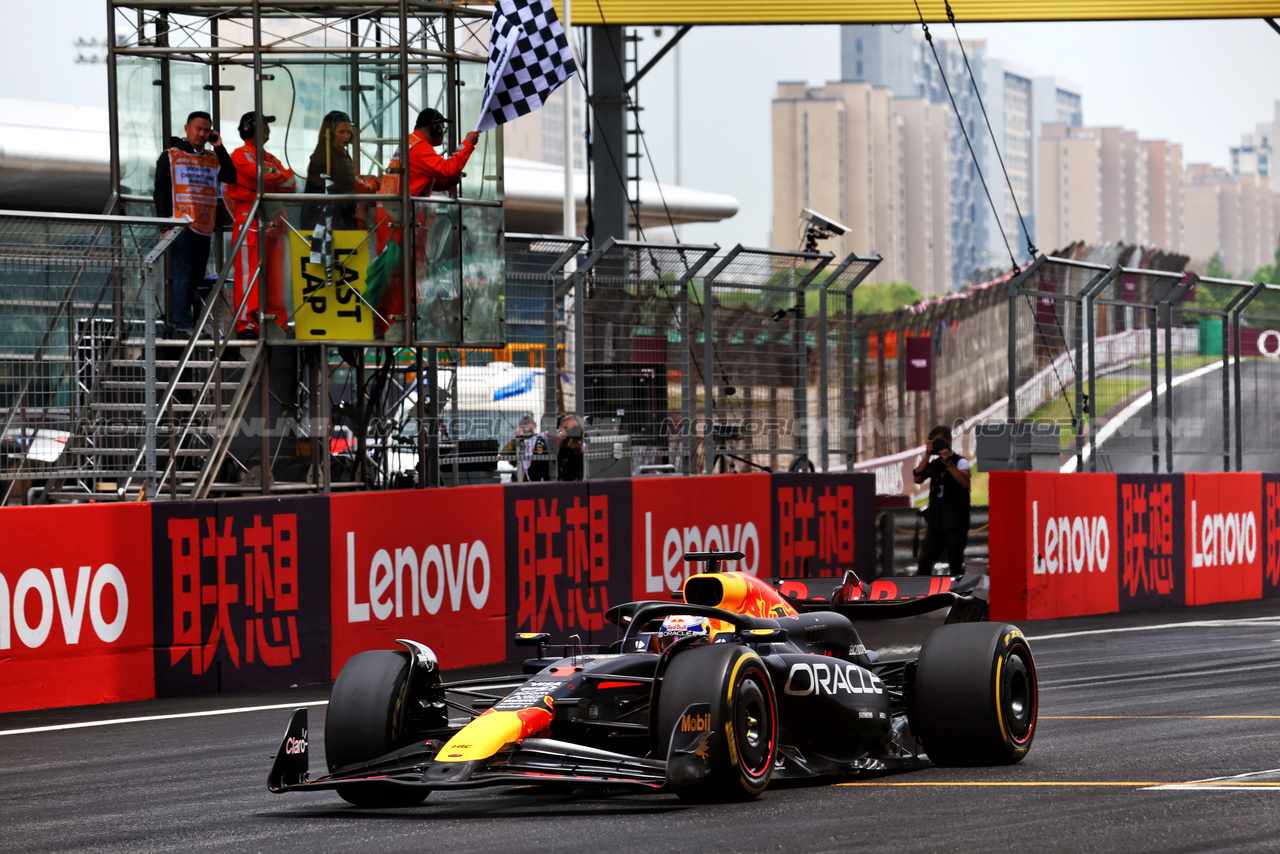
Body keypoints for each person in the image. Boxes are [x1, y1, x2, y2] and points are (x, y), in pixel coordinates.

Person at [373, 108, 482, 336]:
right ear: (436, 127)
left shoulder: (412, 145)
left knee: (398, 278)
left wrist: (450, 176)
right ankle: (394, 327)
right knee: (400, 279)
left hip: (396, 220)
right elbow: (446, 168)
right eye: (442, 128)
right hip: (399, 222)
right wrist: (467, 145)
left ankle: (391, 325)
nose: (443, 133)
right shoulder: (419, 148)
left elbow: (437, 178)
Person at [153, 111, 237, 336]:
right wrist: (165, 226)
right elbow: (160, 192)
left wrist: (219, 146)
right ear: (187, 129)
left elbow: (231, 176)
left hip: (204, 227)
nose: (202, 134)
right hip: (180, 225)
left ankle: (190, 320)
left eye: (206, 130)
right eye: (198, 129)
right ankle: (182, 322)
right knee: (183, 274)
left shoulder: (212, 157)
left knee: (196, 276)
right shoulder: (171, 156)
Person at [223, 111, 296, 338]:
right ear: (248, 128)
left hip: (274, 225)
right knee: (248, 276)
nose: (267, 128)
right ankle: (247, 325)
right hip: (250, 225)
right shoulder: (239, 155)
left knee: (275, 278)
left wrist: (270, 177)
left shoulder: (271, 158)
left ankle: (276, 322)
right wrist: (273, 177)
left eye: (267, 125)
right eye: (262, 124)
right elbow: (263, 178)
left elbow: (291, 183)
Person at [300, 110, 378, 231]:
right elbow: (351, 182)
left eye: (348, 132)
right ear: (330, 133)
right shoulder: (326, 154)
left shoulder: (338, 153)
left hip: (334, 218)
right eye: (341, 132)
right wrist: (376, 183)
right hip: (327, 222)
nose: (346, 136)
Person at [912, 425, 972, 576]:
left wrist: (949, 463)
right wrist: (927, 455)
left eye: (940, 442)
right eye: (934, 443)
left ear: (949, 441)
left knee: (955, 562)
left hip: (956, 523)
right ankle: (922, 593)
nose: (938, 446)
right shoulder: (935, 464)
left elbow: (964, 482)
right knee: (925, 561)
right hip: (936, 523)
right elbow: (917, 478)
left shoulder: (960, 461)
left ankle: (958, 593)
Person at [524, 414, 584, 482]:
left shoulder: (579, 444)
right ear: (559, 428)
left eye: (572, 430)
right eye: (565, 428)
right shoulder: (544, 439)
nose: (567, 432)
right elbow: (535, 475)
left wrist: (578, 453)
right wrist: (556, 447)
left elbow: (570, 477)